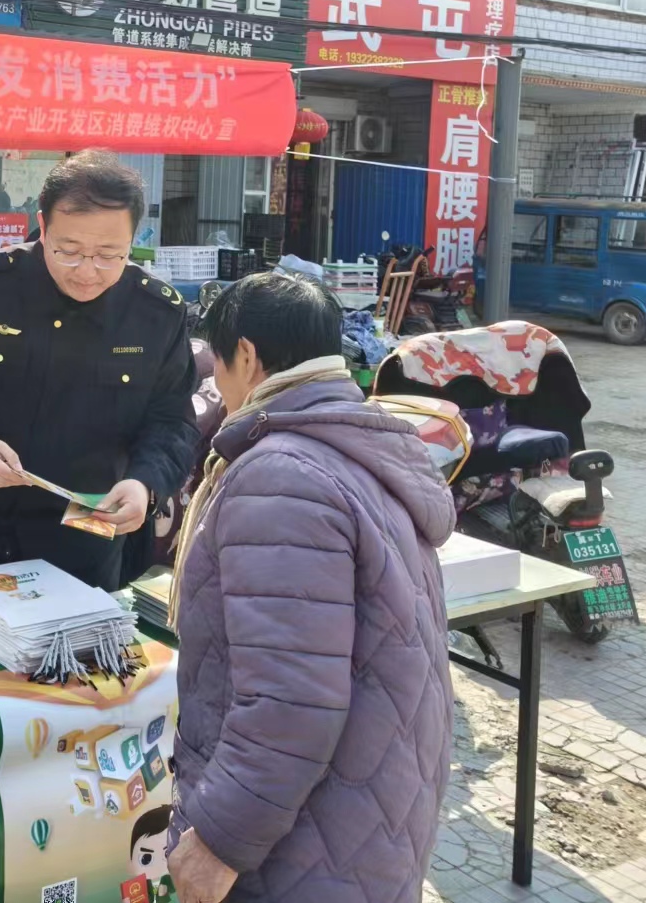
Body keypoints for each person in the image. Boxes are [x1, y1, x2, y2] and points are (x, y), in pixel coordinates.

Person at [164, 272, 454, 903]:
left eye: (218, 365)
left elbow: (289, 697)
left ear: (246, 356)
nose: (217, 385)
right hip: (361, 811)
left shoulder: (282, 476)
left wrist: (220, 840)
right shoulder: (355, 440)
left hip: (307, 843)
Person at [0, 150, 200, 601]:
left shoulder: (154, 313)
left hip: (85, 537)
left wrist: (145, 483)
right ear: (43, 228)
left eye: (109, 255)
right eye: (69, 251)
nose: (87, 272)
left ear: (132, 240)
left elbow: (173, 420)